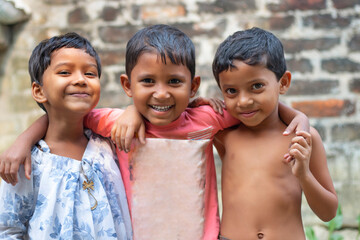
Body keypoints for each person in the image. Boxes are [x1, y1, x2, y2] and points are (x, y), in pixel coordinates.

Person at [0, 25, 308, 240]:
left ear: (193, 86)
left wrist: (299, 117)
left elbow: (254, 106)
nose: (161, 93)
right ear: (127, 86)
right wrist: (24, 141)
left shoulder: (207, 118)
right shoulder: (117, 122)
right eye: (148, 82)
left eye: (174, 82)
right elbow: (65, 113)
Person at [0, 32, 132, 239]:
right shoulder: (26, 163)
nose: (80, 80)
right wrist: (24, 140)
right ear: (38, 91)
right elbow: (8, 229)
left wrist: (133, 111)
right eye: (64, 72)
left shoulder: (111, 142)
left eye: (90, 74)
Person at [211, 27, 338, 240]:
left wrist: (304, 175)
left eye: (257, 86)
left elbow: (328, 213)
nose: (243, 101)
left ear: (283, 83)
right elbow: (176, 115)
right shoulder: (224, 135)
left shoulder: (303, 138)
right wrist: (132, 113)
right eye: (231, 91)